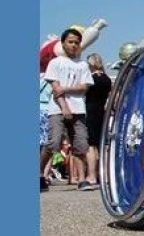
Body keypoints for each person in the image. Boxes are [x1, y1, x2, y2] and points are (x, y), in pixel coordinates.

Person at [39, 28, 94, 192]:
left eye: (77, 42)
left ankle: (82, 179)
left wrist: (67, 88)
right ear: (63, 43)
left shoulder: (82, 65)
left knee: (80, 144)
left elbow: (84, 87)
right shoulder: (55, 63)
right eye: (70, 42)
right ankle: (40, 172)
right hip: (57, 109)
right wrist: (64, 107)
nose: (73, 45)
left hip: (78, 108)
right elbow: (56, 89)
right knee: (53, 142)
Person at [82, 53, 112, 191]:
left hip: (90, 111)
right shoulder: (107, 79)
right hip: (102, 112)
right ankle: (105, 175)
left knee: (91, 145)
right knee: (102, 144)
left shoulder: (90, 78)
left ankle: (92, 175)